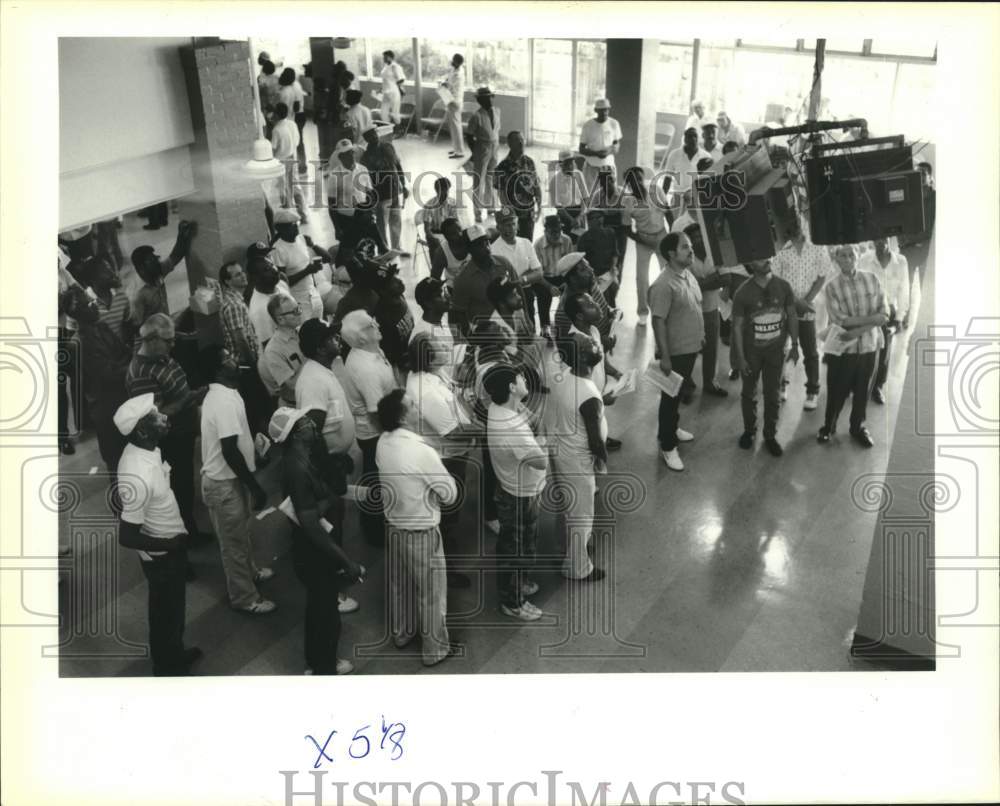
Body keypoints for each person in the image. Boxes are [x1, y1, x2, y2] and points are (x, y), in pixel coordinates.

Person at [269, 407, 365, 676]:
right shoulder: (297, 469)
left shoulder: (299, 457)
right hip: (314, 551)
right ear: (297, 434)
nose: (313, 424)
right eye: (306, 422)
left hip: (309, 548)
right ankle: (324, 669)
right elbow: (310, 523)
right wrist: (346, 561)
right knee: (326, 614)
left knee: (318, 607)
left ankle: (315, 662)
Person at [114, 394, 202, 676]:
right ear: (141, 430)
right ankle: (167, 669)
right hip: (163, 556)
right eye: (156, 416)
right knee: (165, 614)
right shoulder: (138, 473)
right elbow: (127, 536)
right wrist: (170, 543)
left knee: (173, 610)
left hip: (169, 550)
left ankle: (174, 654)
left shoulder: (147, 449)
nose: (165, 417)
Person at [376, 388, 464, 665]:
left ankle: (402, 633)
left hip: (394, 525)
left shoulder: (383, 442)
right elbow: (450, 493)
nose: (417, 407)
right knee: (431, 592)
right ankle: (435, 649)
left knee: (400, 584)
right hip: (421, 531)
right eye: (412, 405)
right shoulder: (419, 449)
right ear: (403, 418)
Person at [199, 346, 276, 614]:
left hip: (230, 480)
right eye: (228, 357)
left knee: (240, 535)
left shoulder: (227, 393)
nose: (235, 359)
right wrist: (255, 487)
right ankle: (244, 598)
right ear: (219, 369)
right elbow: (229, 450)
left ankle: (250, 572)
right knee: (232, 544)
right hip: (223, 484)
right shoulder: (222, 401)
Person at [293, 318, 360, 615]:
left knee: (336, 522)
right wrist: (331, 466)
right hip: (324, 467)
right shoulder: (314, 381)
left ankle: (333, 578)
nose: (338, 339)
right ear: (321, 347)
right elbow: (312, 433)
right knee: (329, 526)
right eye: (332, 337)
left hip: (332, 460)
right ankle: (331, 589)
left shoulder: (322, 370)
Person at [125, 314, 209, 542]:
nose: (173, 344)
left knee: (186, 484)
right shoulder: (141, 373)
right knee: (179, 489)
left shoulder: (160, 355)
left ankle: (189, 528)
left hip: (184, 431)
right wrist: (188, 399)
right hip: (171, 440)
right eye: (168, 340)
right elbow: (154, 417)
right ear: (151, 339)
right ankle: (186, 537)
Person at [405, 333, 475, 589]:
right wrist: (491, 428)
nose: (449, 349)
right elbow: (453, 432)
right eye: (442, 348)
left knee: (448, 512)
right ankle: (444, 571)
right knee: (446, 515)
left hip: (452, 454)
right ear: (429, 357)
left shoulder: (434, 375)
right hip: (446, 458)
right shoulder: (427, 391)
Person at [484, 363, 548, 622]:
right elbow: (541, 460)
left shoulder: (498, 407)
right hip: (520, 494)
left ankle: (519, 583)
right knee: (516, 548)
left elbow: (530, 417)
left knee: (522, 544)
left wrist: (523, 410)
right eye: (520, 378)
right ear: (512, 387)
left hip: (513, 485)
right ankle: (512, 602)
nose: (524, 380)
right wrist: (544, 438)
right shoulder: (513, 428)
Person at [549, 331, 610, 582]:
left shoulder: (564, 376)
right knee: (583, 514)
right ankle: (578, 568)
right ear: (584, 358)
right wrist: (602, 460)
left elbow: (576, 407)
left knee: (570, 507)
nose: (596, 344)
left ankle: (570, 549)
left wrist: (602, 402)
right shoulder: (588, 394)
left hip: (562, 450)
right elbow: (596, 440)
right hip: (579, 458)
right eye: (591, 344)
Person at [818, 244, 888, 447]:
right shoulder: (832, 287)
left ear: (858, 256)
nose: (847, 259)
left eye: (851, 254)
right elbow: (840, 320)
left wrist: (857, 331)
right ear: (836, 259)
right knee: (837, 390)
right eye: (842, 255)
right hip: (844, 351)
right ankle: (828, 427)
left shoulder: (872, 279)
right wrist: (871, 320)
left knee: (863, 391)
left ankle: (857, 427)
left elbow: (884, 314)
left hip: (870, 347)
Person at [64, 284, 129, 495]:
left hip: (123, 398)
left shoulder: (102, 327)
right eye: (90, 303)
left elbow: (124, 352)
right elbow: (107, 375)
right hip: (107, 409)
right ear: (80, 313)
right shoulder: (80, 343)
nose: (96, 304)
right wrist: (132, 366)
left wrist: (127, 363)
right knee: (118, 464)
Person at [340, 310, 398, 545]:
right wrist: (392, 437)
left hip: (379, 427)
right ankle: (374, 531)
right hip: (375, 433)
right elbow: (376, 412)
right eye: (369, 325)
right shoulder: (365, 368)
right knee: (376, 480)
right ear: (361, 338)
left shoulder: (372, 350)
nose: (375, 323)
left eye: (372, 319)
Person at [731, 259, 799, 456]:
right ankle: (749, 431)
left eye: (767, 256)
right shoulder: (743, 293)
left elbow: (792, 315)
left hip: (776, 352)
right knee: (749, 392)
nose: (768, 260)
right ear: (750, 265)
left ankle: (770, 435)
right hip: (751, 353)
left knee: (773, 394)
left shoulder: (783, 286)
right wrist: (741, 358)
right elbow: (736, 327)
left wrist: (795, 345)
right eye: (760, 259)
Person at [649, 233, 704, 472]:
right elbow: (658, 321)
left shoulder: (687, 274)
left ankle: (670, 429)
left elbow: (694, 306)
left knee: (677, 394)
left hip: (690, 347)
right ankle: (668, 446)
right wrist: (666, 356)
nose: (691, 251)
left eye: (690, 247)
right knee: (669, 399)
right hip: (676, 351)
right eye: (685, 247)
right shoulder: (663, 284)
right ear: (671, 254)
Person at [771, 217, 832, 410]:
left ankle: (812, 390)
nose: (797, 227)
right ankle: (782, 385)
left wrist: (806, 300)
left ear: (806, 224)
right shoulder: (781, 250)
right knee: (782, 348)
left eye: (800, 223)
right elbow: (775, 281)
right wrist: (794, 302)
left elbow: (823, 276)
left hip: (807, 307)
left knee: (810, 351)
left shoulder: (817, 248)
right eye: (793, 224)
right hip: (784, 307)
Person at [219, 261, 275, 437]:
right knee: (256, 404)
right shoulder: (235, 305)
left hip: (244, 363)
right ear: (227, 282)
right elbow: (240, 339)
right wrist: (253, 363)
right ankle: (262, 441)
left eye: (242, 272)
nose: (243, 275)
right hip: (245, 364)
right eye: (236, 274)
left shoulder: (234, 299)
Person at [562, 291, 622, 451]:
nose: (597, 305)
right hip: (588, 399)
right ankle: (597, 448)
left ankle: (602, 436)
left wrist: (616, 373)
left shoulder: (594, 330)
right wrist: (602, 399)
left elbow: (602, 361)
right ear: (580, 316)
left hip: (597, 393)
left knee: (598, 420)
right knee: (589, 430)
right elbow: (578, 389)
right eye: (590, 305)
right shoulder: (578, 343)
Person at [859, 238, 910, 405]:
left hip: (888, 311)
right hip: (867, 310)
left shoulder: (901, 262)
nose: (881, 242)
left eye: (885, 238)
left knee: (884, 353)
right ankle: (859, 385)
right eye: (877, 239)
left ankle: (878, 387)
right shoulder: (865, 259)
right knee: (863, 350)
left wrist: (898, 320)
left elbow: (904, 291)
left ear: (891, 238)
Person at [683, 222, 729, 398]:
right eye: (693, 238)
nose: (697, 240)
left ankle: (710, 382)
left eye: (700, 236)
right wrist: (712, 279)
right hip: (689, 310)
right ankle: (686, 385)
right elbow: (686, 285)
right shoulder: (685, 257)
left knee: (711, 348)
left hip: (710, 308)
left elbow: (727, 278)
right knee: (689, 349)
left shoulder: (715, 254)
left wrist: (699, 283)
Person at [449, 223, 519, 337]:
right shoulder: (463, 279)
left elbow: (519, 290)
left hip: (512, 327)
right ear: (469, 249)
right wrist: (471, 340)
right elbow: (458, 314)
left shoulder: (504, 263)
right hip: (487, 336)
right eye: (479, 245)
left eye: (486, 242)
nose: (486, 248)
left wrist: (526, 319)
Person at [621, 166, 669, 326]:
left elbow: (668, 212)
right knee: (642, 278)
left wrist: (671, 236)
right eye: (634, 181)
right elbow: (627, 230)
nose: (639, 183)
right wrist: (645, 241)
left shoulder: (656, 190)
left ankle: (667, 309)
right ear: (629, 184)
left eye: (640, 179)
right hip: (643, 240)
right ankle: (642, 312)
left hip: (662, 236)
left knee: (668, 273)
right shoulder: (627, 202)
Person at [131, 220, 198, 328]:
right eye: (152, 261)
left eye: (156, 258)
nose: (157, 262)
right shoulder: (136, 296)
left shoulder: (155, 270)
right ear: (141, 268)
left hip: (166, 324)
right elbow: (138, 329)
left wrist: (181, 235)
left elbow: (175, 256)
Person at [324, 138, 385, 255]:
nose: (351, 156)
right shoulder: (334, 176)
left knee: (368, 250)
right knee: (352, 253)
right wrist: (337, 228)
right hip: (346, 220)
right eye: (346, 154)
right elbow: (332, 205)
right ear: (340, 157)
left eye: (351, 152)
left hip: (363, 216)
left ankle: (381, 249)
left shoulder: (363, 169)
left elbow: (370, 194)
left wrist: (371, 211)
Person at [269, 210, 329, 321]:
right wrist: (307, 271)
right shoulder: (278, 250)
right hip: (297, 299)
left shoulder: (301, 239)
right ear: (280, 229)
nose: (296, 228)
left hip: (313, 293)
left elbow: (327, 258)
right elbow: (282, 283)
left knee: (321, 326)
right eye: (292, 226)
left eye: (297, 224)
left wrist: (313, 245)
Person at [360, 123, 410, 256]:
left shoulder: (388, 146)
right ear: (366, 138)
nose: (374, 136)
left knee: (396, 221)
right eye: (370, 135)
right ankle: (385, 251)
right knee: (382, 225)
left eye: (375, 133)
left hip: (395, 191)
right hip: (381, 195)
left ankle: (397, 248)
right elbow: (367, 180)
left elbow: (398, 166)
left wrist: (403, 185)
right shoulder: (366, 157)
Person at [490, 207, 543, 329]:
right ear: (498, 227)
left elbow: (539, 273)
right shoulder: (494, 249)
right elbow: (499, 281)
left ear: (518, 225)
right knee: (511, 330)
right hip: (507, 298)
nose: (511, 228)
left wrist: (520, 280)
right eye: (506, 225)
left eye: (513, 224)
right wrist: (529, 274)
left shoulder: (526, 243)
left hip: (526, 292)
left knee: (530, 327)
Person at [494, 131, 543, 241]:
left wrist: (539, 206)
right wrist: (510, 214)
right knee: (514, 242)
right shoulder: (503, 166)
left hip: (528, 212)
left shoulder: (529, 162)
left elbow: (536, 186)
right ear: (510, 144)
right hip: (513, 214)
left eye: (522, 139)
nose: (521, 143)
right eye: (517, 140)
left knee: (527, 241)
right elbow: (501, 193)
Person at [258, 294, 304, 407]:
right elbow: (292, 385)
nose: (300, 313)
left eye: (298, 308)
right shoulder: (273, 350)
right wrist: (311, 354)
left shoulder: (301, 332)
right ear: (280, 319)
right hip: (296, 406)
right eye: (294, 311)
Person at [410, 277, 464, 374]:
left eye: (444, 291)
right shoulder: (420, 336)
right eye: (440, 295)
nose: (447, 297)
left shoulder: (442, 317)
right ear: (428, 304)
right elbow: (424, 375)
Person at [533, 215, 573, 338]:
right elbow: (537, 273)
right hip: (545, 278)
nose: (557, 235)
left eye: (559, 231)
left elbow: (571, 266)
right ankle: (545, 327)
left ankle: (569, 324)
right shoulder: (538, 245)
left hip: (563, 277)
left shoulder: (567, 240)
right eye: (553, 232)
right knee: (543, 296)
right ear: (545, 231)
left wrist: (567, 282)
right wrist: (549, 287)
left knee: (572, 294)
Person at [465, 87, 502, 223]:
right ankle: (477, 211)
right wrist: (474, 152)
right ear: (480, 101)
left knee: (491, 179)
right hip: (482, 147)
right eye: (485, 98)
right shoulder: (477, 116)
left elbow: (496, 131)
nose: (489, 100)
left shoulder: (497, 111)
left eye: (490, 97)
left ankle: (491, 207)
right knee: (478, 180)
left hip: (495, 147)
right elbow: (469, 135)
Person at [82, 255, 133, 343]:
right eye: (105, 271)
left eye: (110, 269)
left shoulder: (121, 296)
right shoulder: (84, 303)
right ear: (93, 280)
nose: (112, 273)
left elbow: (128, 327)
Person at [576, 208, 621, 309]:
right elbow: (581, 262)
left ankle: (610, 315)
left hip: (608, 273)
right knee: (603, 299)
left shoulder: (610, 233)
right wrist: (591, 276)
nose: (599, 220)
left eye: (600, 217)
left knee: (614, 287)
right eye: (594, 218)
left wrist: (613, 267)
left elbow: (615, 254)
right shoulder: (584, 239)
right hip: (592, 275)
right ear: (589, 222)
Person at [247, 254, 293, 350]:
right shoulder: (259, 310)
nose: (274, 270)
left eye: (272, 265)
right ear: (255, 278)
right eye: (267, 269)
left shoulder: (281, 284)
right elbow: (269, 346)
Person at [578, 98, 622, 192]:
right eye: (601, 110)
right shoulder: (588, 125)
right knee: (591, 195)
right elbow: (581, 149)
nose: (604, 112)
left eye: (606, 109)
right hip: (592, 167)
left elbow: (616, 145)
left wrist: (609, 151)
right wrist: (596, 154)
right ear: (596, 110)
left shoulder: (614, 124)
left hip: (608, 166)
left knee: (610, 196)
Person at [664, 128, 711, 213]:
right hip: (678, 197)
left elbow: (710, 180)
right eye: (690, 136)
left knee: (695, 225)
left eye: (695, 136)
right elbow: (667, 178)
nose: (693, 139)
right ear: (684, 139)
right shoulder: (674, 154)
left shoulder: (706, 156)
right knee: (676, 224)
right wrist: (663, 198)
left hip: (697, 198)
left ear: (699, 138)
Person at [549, 150, 588, 242]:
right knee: (565, 244)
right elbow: (558, 206)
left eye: (571, 162)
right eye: (567, 163)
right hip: (564, 216)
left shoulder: (579, 175)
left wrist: (580, 217)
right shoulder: (554, 181)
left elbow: (586, 198)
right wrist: (571, 220)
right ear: (560, 164)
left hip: (580, 214)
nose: (570, 165)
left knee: (581, 243)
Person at [277, 67, 308, 174]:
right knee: (299, 141)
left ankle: (296, 166)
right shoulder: (296, 85)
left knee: (292, 142)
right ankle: (302, 165)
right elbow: (297, 104)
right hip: (299, 114)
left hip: (293, 116)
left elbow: (286, 106)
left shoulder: (286, 90)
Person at [429, 217, 470, 288]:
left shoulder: (470, 240)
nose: (460, 234)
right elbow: (434, 278)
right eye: (454, 233)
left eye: (460, 229)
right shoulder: (441, 253)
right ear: (447, 237)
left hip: (475, 282)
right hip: (455, 287)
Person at [441, 53, 466, 159]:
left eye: (453, 60)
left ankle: (460, 151)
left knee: (456, 127)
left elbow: (451, 85)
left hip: (454, 101)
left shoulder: (458, 73)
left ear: (457, 62)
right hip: (451, 99)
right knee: (453, 126)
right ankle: (456, 148)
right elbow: (448, 79)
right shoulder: (455, 69)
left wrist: (444, 84)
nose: (451, 61)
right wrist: (445, 81)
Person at [379, 50, 406, 127]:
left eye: (385, 57)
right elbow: (386, 80)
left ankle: (398, 128)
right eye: (383, 57)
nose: (383, 58)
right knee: (383, 113)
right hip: (386, 92)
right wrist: (381, 89)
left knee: (395, 113)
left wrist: (393, 85)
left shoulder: (395, 67)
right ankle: (388, 128)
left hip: (393, 92)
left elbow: (401, 79)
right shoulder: (386, 67)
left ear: (390, 57)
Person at [257, 59, 280, 135]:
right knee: (277, 125)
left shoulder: (261, 79)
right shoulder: (277, 78)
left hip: (266, 105)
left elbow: (259, 93)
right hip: (276, 104)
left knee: (269, 127)